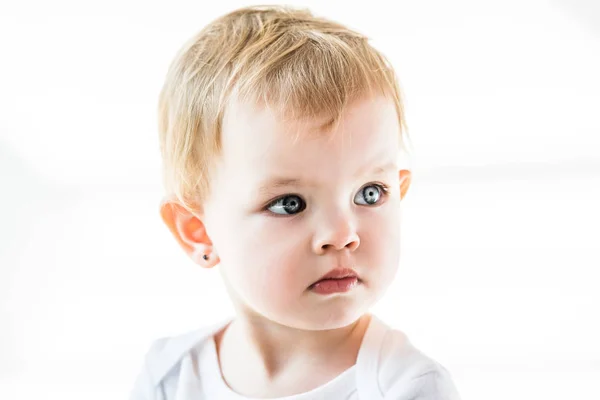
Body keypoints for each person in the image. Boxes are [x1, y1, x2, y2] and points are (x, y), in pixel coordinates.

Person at [130, 5, 461, 399]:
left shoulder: (405, 387)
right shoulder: (172, 374)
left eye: (369, 193)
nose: (342, 235)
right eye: (290, 203)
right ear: (198, 231)